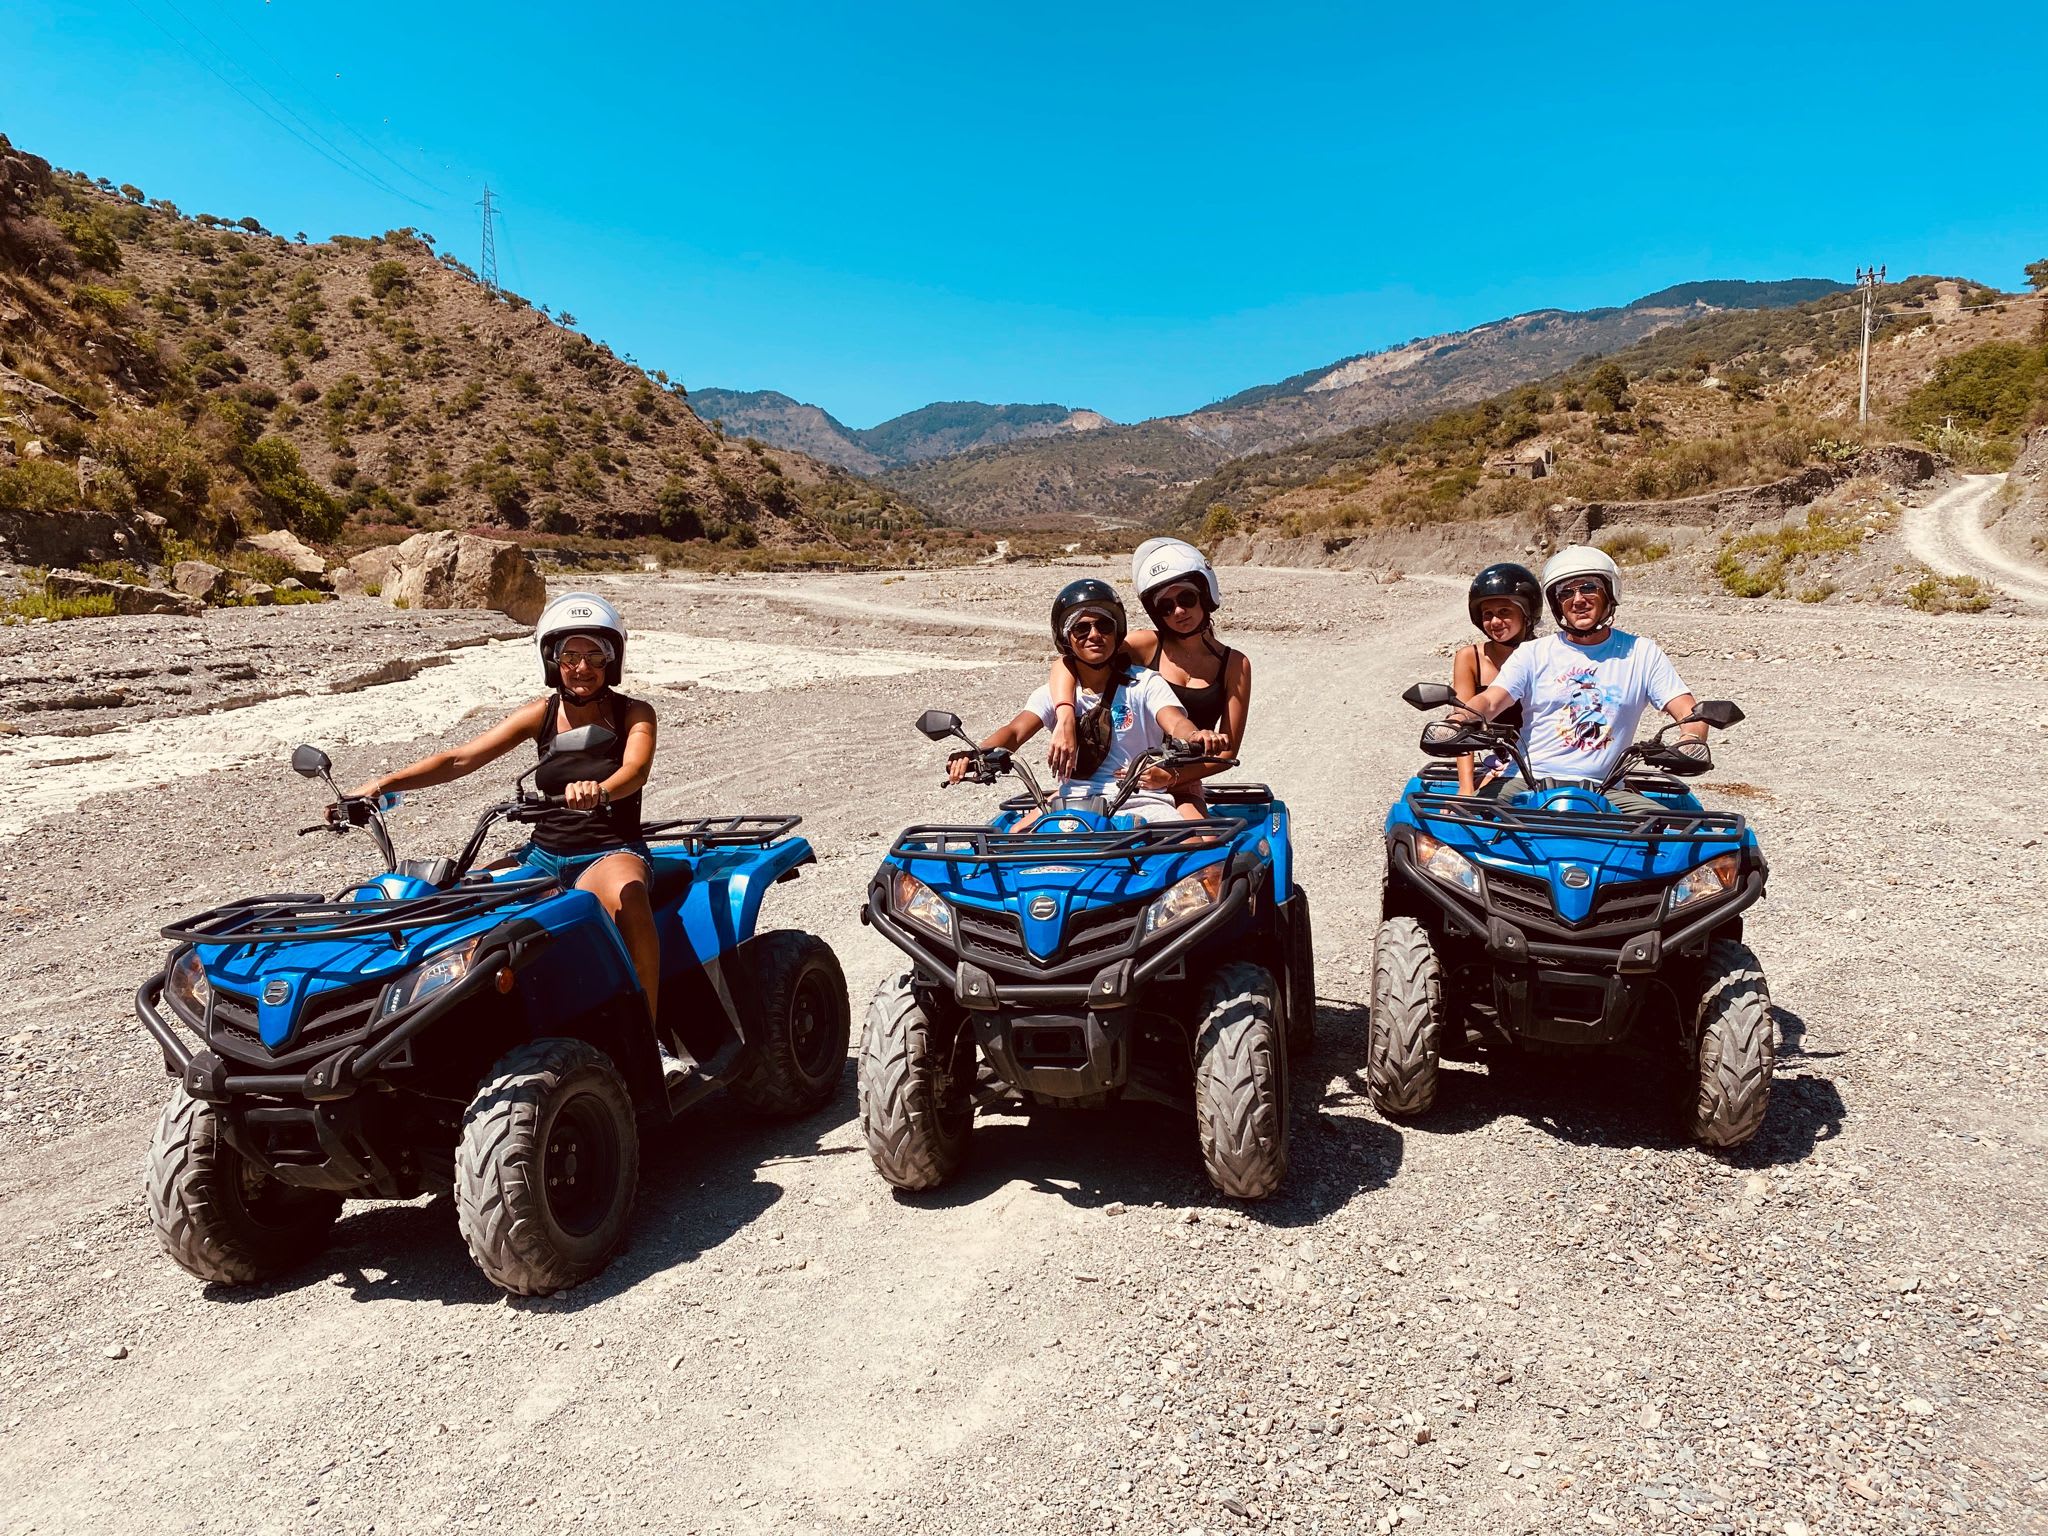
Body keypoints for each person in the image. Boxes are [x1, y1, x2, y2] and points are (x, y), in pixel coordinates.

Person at [343, 592, 664, 1019]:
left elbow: (636, 770)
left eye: (595, 655)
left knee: (630, 904)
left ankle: (650, 1040)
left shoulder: (634, 713)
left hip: (608, 851)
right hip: (543, 855)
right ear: (552, 659)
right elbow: (461, 758)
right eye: (570, 655)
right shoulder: (541, 714)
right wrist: (380, 786)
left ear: (612, 660)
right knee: (454, 903)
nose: (582, 667)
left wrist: (601, 791)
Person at [951, 577, 1228, 825]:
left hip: (1143, 804)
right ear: (1066, 639)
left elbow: (1175, 721)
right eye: (1081, 629)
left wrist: (1195, 735)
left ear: (1117, 632)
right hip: (1070, 807)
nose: (1094, 635)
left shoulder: (1144, 683)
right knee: (1005, 853)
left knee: (1194, 858)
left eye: (1104, 626)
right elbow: (1014, 732)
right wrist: (976, 753)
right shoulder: (1054, 693)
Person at [1454, 546, 1709, 813]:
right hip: (1527, 781)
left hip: (1607, 788)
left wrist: (1690, 739)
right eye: (1566, 592)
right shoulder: (1533, 652)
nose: (1577, 599)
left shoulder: (1642, 653)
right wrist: (1458, 720)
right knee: (1464, 830)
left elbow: (1689, 712)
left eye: (1588, 587)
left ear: (1609, 592)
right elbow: (1492, 699)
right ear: (1556, 602)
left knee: (1674, 838)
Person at [1045, 538, 1251, 814]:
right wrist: (1066, 718)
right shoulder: (1145, 646)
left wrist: (1172, 777)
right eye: (1165, 606)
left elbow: (1227, 753)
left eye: (1187, 599)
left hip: (1182, 781)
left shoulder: (1234, 665)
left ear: (1204, 595)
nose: (1178, 611)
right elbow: (1071, 662)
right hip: (1119, 778)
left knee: (1201, 847)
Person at [1451, 561, 1540, 795]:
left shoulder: (1545, 654)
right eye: (1487, 615)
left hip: (1545, 758)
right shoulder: (1470, 658)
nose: (1495, 622)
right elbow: (1466, 725)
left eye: (1504, 612)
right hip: (1502, 761)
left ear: (1526, 613)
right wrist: (1465, 787)